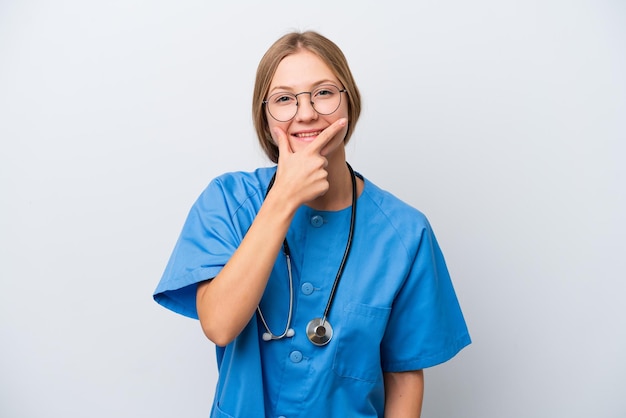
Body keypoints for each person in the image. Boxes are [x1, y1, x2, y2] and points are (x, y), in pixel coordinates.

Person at [153, 30, 471, 418]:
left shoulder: (405, 233)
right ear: (265, 114)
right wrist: (284, 198)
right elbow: (219, 325)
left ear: (348, 102)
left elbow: (404, 377)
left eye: (323, 93)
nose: (306, 113)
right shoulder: (227, 201)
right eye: (285, 99)